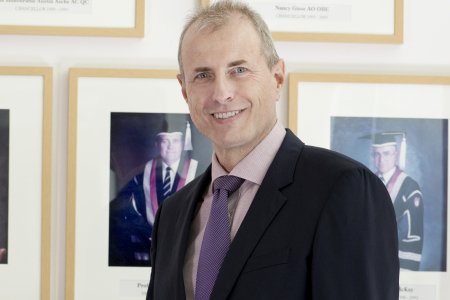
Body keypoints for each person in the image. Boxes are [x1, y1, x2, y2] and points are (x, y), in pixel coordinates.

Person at [147, 1, 399, 299]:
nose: (222, 94)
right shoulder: (171, 215)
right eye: (203, 75)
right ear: (185, 91)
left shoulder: (344, 189)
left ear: (277, 78)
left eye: (239, 69)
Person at [109, 123, 198, 266]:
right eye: (165, 141)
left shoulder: (200, 172)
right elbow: (127, 212)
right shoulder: (140, 176)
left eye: (175, 141)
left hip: (187, 256)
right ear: (157, 145)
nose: (170, 146)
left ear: (183, 144)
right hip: (148, 254)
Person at [360, 132, 424, 271]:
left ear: (396, 155)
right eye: (377, 154)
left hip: (399, 260)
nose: (381, 159)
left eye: (387, 153)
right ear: (373, 156)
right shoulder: (369, 183)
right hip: (372, 259)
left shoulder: (409, 187)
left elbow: (407, 229)